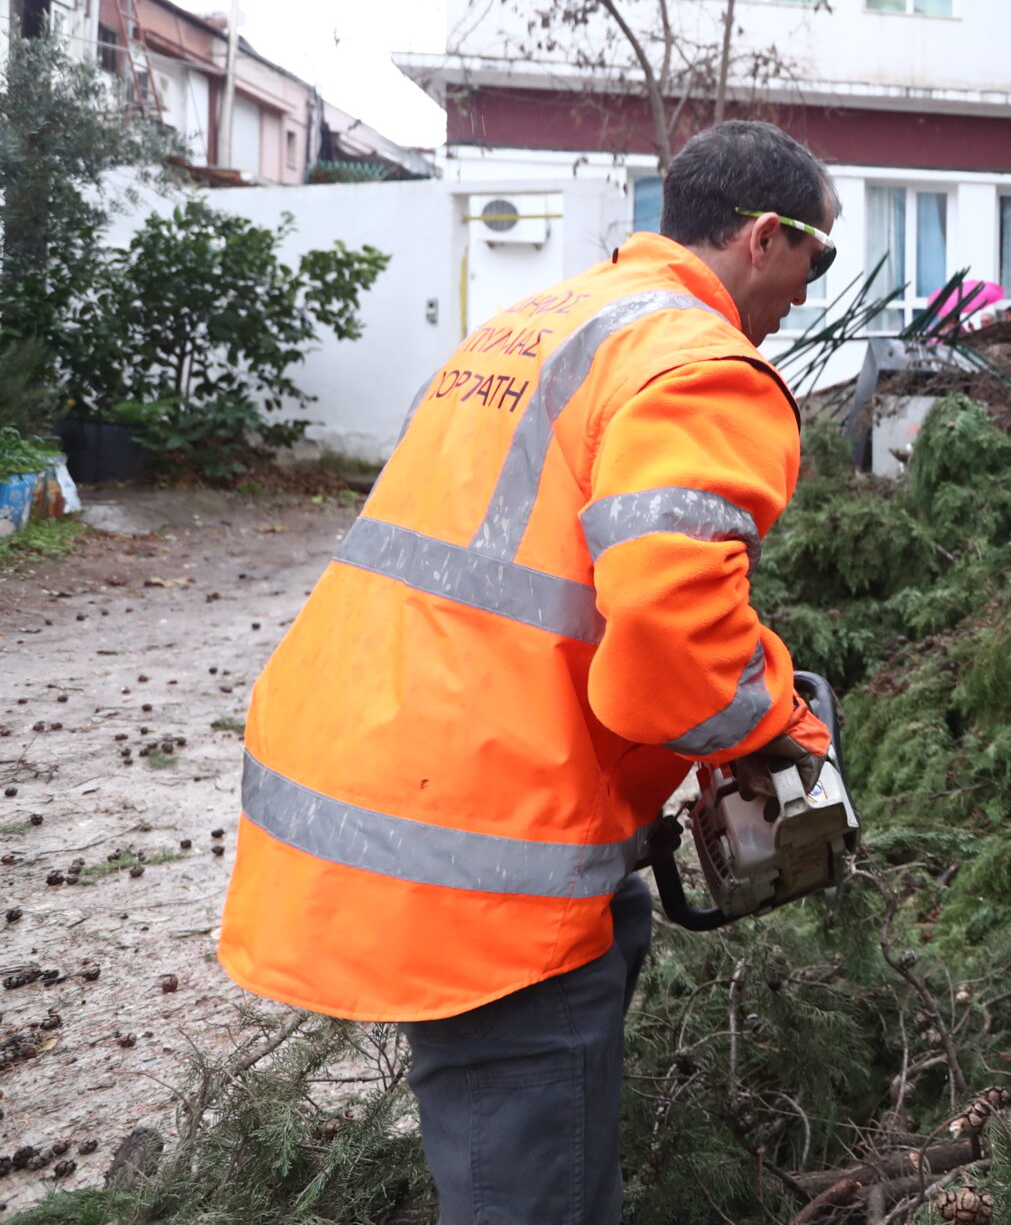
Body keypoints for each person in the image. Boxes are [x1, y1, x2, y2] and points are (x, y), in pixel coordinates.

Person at [218, 120, 842, 1225]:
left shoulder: (538, 325)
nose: (809, 288)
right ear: (763, 237)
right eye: (817, 256)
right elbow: (668, 637)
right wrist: (768, 728)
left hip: (396, 768)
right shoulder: (703, 367)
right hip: (492, 840)